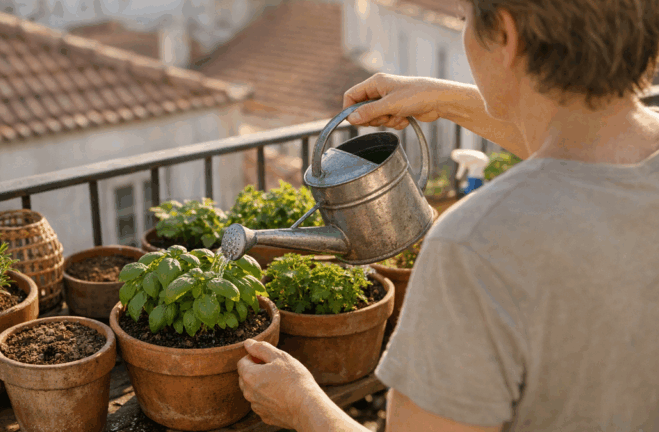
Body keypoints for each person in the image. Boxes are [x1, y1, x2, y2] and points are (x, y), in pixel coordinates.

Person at [236, 0, 659, 430]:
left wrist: (304, 407)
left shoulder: (477, 245)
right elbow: (583, 148)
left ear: (507, 37)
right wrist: (443, 98)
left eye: (464, 18)